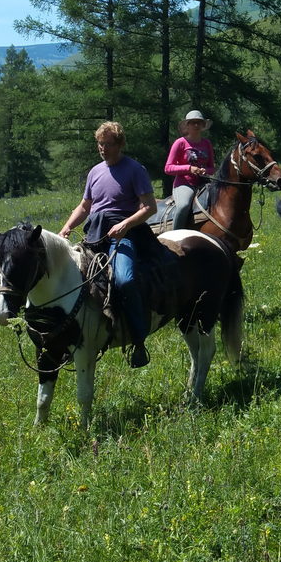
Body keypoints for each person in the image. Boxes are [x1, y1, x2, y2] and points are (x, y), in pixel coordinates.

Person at [58, 121, 157, 368]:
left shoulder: (135, 169)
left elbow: (149, 207)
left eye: (108, 144)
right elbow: (84, 206)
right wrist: (67, 227)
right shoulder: (95, 172)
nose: (103, 149)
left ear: (120, 144)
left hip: (124, 234)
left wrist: (125, 225)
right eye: (100, 144)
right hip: (95, 233)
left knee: (124, 279)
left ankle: (138, 339)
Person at [162, 109, 216, 231]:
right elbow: (168, 168)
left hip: (204, 184)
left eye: (199, 122)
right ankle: (175, 236)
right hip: (185, 183)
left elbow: (212, 168)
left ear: (203, 125)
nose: (196, 125)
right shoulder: (180, 143)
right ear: (188, 125)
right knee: (184, 205)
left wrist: (205, 170)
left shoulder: (207, 143)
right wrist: (189, 168)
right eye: (193, 123)